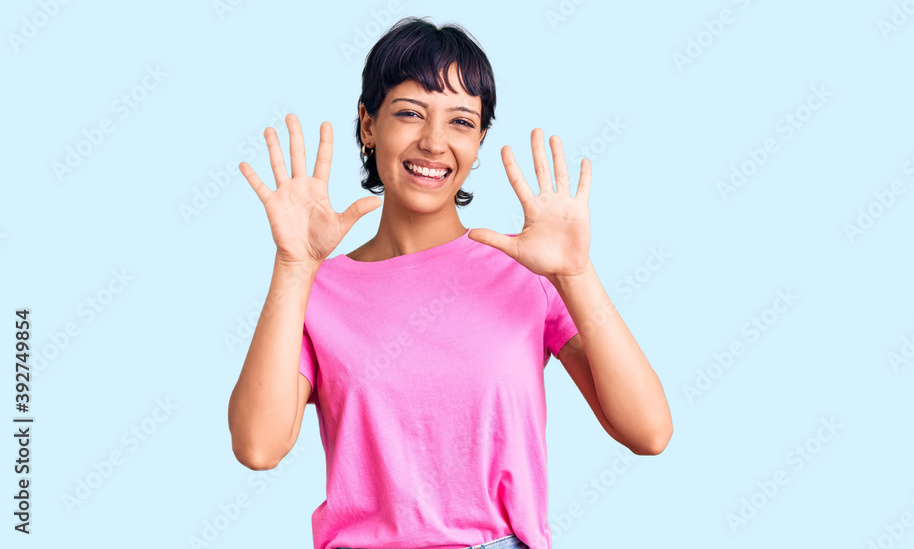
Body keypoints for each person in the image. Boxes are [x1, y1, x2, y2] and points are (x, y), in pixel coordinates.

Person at [227, 16, 672, 549]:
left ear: (480, 140)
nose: (434, 142)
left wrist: (576, 274)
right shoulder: (318, 289)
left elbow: (649, 432)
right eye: (410, 113)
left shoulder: (530, 272)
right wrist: (294, 267)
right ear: (368, 125)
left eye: (461, 122)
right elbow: (258, 446)